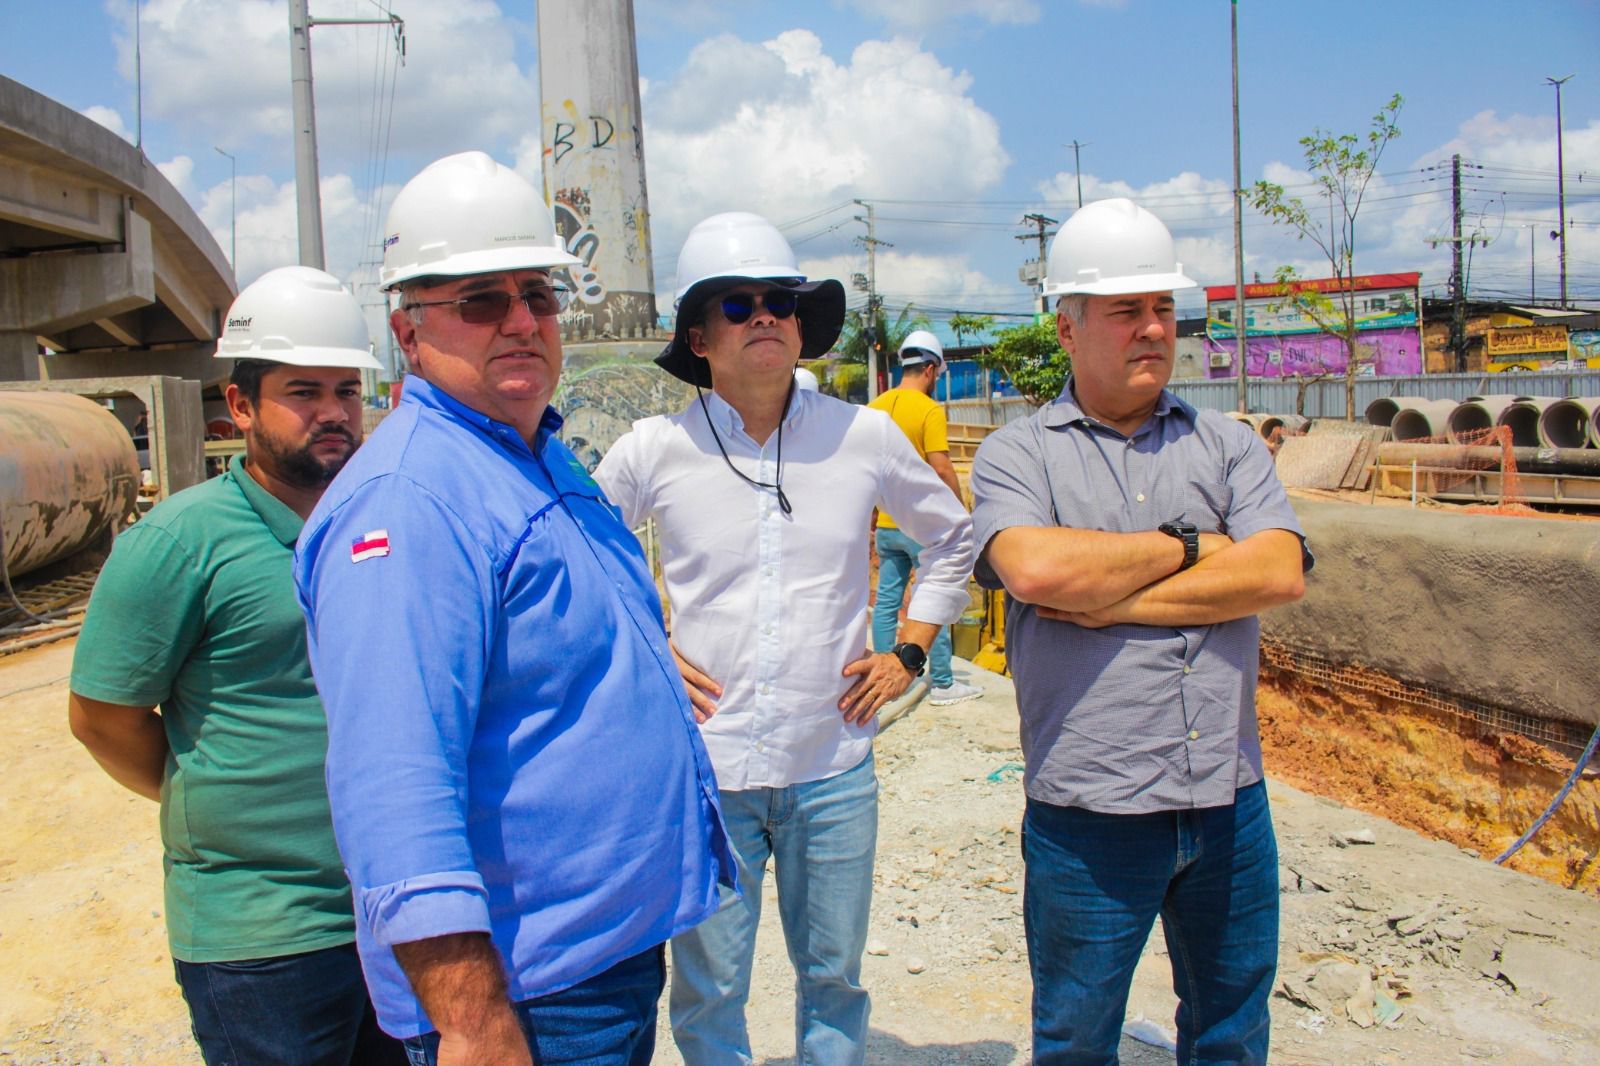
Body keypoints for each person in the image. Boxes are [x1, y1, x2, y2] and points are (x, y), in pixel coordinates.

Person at [292, 151, 734, 1065]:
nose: (524, 321)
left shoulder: (529, 451)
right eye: (481, 300)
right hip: (527, 991)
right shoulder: (409, 502)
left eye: (538, 293)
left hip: (596, 954)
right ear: (407, 332)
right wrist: (473, 1021)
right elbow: (393, 784)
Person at [594, 212, 974, 1065]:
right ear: (698, 335)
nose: (762, 315)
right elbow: (577, 555)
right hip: (710, 772)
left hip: (833, 765)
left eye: (780, 302)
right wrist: (647, 644)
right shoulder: (654, 450)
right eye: (737, 304)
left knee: (835, 976)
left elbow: (955, 537)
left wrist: (909, 648)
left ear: (801, 328)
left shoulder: (862, 436)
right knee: (710, 989)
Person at [969, 198, 1311, 1065]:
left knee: (1231, 1028)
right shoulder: (1020, 455)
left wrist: (1110, 598)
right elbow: (1039, 574)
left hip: (1229, 801)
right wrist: (1194, 548)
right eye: (1126, 310)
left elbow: (1277, 572)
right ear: (1068, 327)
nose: (1153, 328)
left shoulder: (1229, 445)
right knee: (1078, 1038)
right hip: (1091, 810)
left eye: (1163, 308)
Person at [68, 266, 403, 1065]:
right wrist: (210, 787)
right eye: (303, 392)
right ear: (242, 406)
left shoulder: (383, 517)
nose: (332, 413)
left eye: (346, 392)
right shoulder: (180, 543)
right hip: (263, 937)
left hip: (395, 913)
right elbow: (102, 718)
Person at [869, 329, 982, 707]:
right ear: (931, 369)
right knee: (933, 599)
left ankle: (882, 672)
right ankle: (944, 683)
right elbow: (942, 467)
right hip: (923, 529)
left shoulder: (875, 406)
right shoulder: (930, 410)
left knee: (887, 601)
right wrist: (959, 514)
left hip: (886, 525)